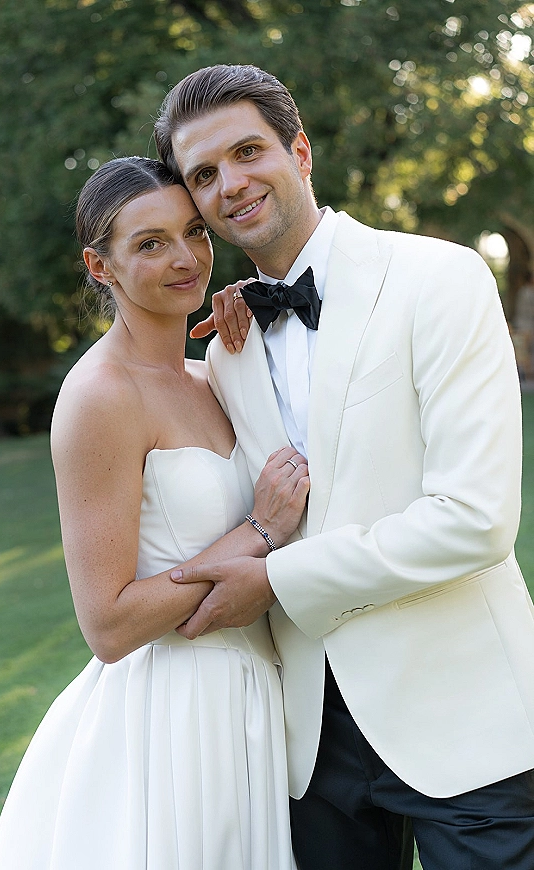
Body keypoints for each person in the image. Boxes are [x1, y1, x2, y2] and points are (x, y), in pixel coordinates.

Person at [153, 64, 534, 870]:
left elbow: (475, 521)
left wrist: (275, 580)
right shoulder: (228, 349)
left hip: (466, 721)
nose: (231, 183)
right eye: (204, 175)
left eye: (247, 152)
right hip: (312, 749)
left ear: (300, 152)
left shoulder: (439, 279)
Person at [0, 156, 310, 870]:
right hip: (172, 719)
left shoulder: (215, 371)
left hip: (256, 699)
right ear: (100, 266)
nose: (186, 258)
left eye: (194, 232)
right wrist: (257, 534)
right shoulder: (100, 397)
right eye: (151, 243)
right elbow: (108, 624)